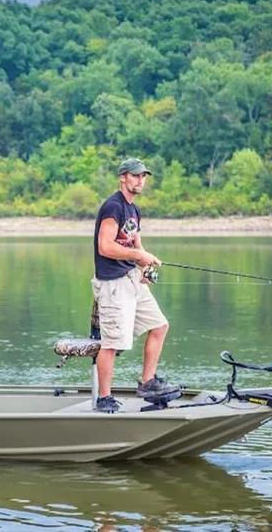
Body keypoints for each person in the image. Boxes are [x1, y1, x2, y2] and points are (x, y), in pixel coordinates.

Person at [92, 158, 179, 413]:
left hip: (132, 280)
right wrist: (138, 257)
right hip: (113, 285)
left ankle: (147, 382)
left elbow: (135, 247)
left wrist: (145, 266)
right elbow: (105, 247)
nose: (140, 180)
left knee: (160, 325)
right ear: (123, 178)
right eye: (135, 176)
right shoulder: (113, 207)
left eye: (143, 176)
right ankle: (104, 399)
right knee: (112, 343)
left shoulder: (134, 210)